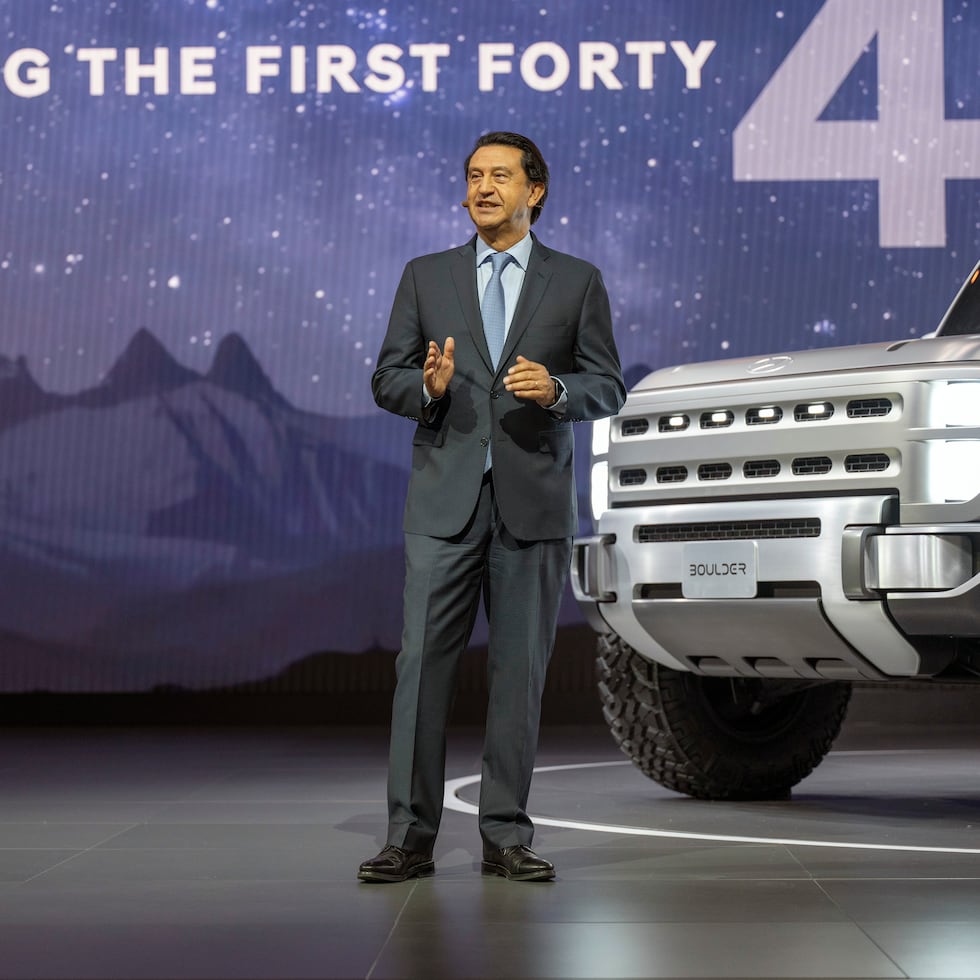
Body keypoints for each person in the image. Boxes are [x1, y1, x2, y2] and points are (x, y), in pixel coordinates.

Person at [360, 131, 625, 884]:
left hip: (532, 506)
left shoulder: (574, 281)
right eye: (474, 176)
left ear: (534, 191)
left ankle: (505, 833)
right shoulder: (426, 275)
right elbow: (388, 379)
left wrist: (561, 390)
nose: (483, 188)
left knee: (518, 677)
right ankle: (408, 837)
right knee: (420, 672)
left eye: (500, 177)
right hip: (444, 504)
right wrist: (429, 389)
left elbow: (609, 383)